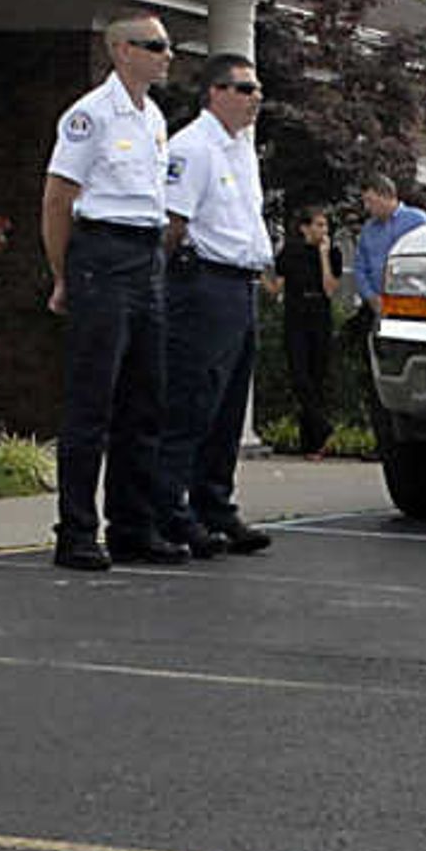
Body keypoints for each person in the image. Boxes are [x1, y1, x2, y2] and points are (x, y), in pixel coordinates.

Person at [39, 9, 178, 570]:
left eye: (167, 45)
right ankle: (75, 531)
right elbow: (57, 199)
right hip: (102, 254)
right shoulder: (90, 116)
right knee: (91, 401)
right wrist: (63, 274)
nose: (167, 55)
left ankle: (132, 526)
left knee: (145, 400)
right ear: (121, 50)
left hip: (146, 257)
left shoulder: (154, 118)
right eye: (155, 45)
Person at [151, 51, 276, 554]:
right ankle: (170, 510)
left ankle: (214, 504)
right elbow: (173, 225)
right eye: (245, 90)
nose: (255, 99)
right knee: (191, 401)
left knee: (227, 407)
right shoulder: (193, 147)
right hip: (203, 284)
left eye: (258, 90)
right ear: (215, 93)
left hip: (240, 285)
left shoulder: (240, 149)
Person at [347, 173, 426, 443]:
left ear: (386, 195)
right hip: (375, 308)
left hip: (407, 308)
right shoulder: (369, 230)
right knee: (372, 370)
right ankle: (379, 431)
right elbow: (360, 267)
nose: (368, 208)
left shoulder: (416, 221)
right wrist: (371, 297)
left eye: (371, 201)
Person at [274, 202, 336, 458]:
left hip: (319, 314)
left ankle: (313, 443)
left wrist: (324, 255)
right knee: (300, 376)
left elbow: (330, 288)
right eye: (319, 225)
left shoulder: (333, 253)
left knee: (316, 378)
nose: (323, 230)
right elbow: (277, 285)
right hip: (296, 315)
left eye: (325, 225)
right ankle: (322, 427)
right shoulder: (290, 252)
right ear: (305, 228)